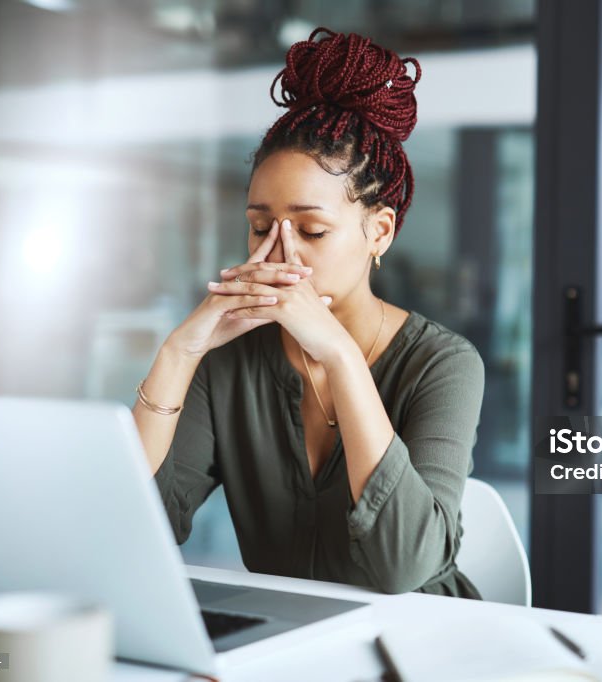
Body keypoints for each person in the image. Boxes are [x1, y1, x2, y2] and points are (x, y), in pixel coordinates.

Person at [132, 27, 484, 599]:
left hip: (421, 638)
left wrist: (341, 356)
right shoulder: (229, 361)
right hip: (289, 640)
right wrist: (179, 353)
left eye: (312, 230)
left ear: (380, 231)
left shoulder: (443, 363)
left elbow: (404, 568)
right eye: (259, 227)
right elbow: (141, 527)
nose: (277, 253)